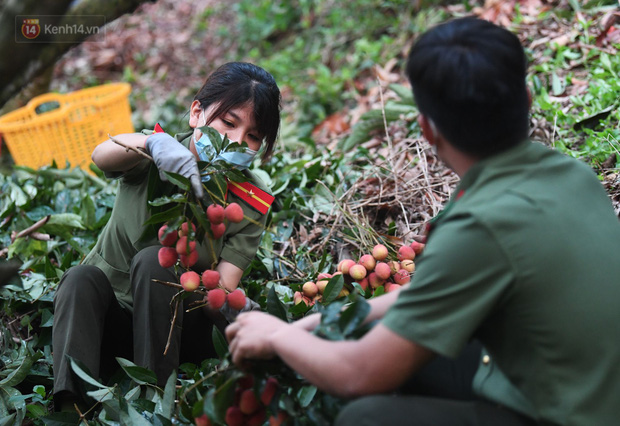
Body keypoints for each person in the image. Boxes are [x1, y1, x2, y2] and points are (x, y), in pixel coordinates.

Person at [225, 18, 620, 425]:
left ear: (428, 130)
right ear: (527, 96)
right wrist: (325, 319)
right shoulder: (572, 175)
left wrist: (280, 335)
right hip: (579, 388)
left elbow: (358, 374)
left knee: (367, 417)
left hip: (565, 414)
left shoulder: (480, 226)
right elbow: (436, 290)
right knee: (374, 338)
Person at [52, 62, 281, 411]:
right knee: (79, 279)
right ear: (197, 113)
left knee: (151, 262)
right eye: (229, 123)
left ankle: (153, 403)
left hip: (176, 331)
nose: (236, 141)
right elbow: (101, 155)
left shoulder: (249, 199)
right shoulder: (157, 153)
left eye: (252, 136)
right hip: (113, 322)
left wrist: (234, 305)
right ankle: (72, 405)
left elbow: (225, 283)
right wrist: (151, 142)